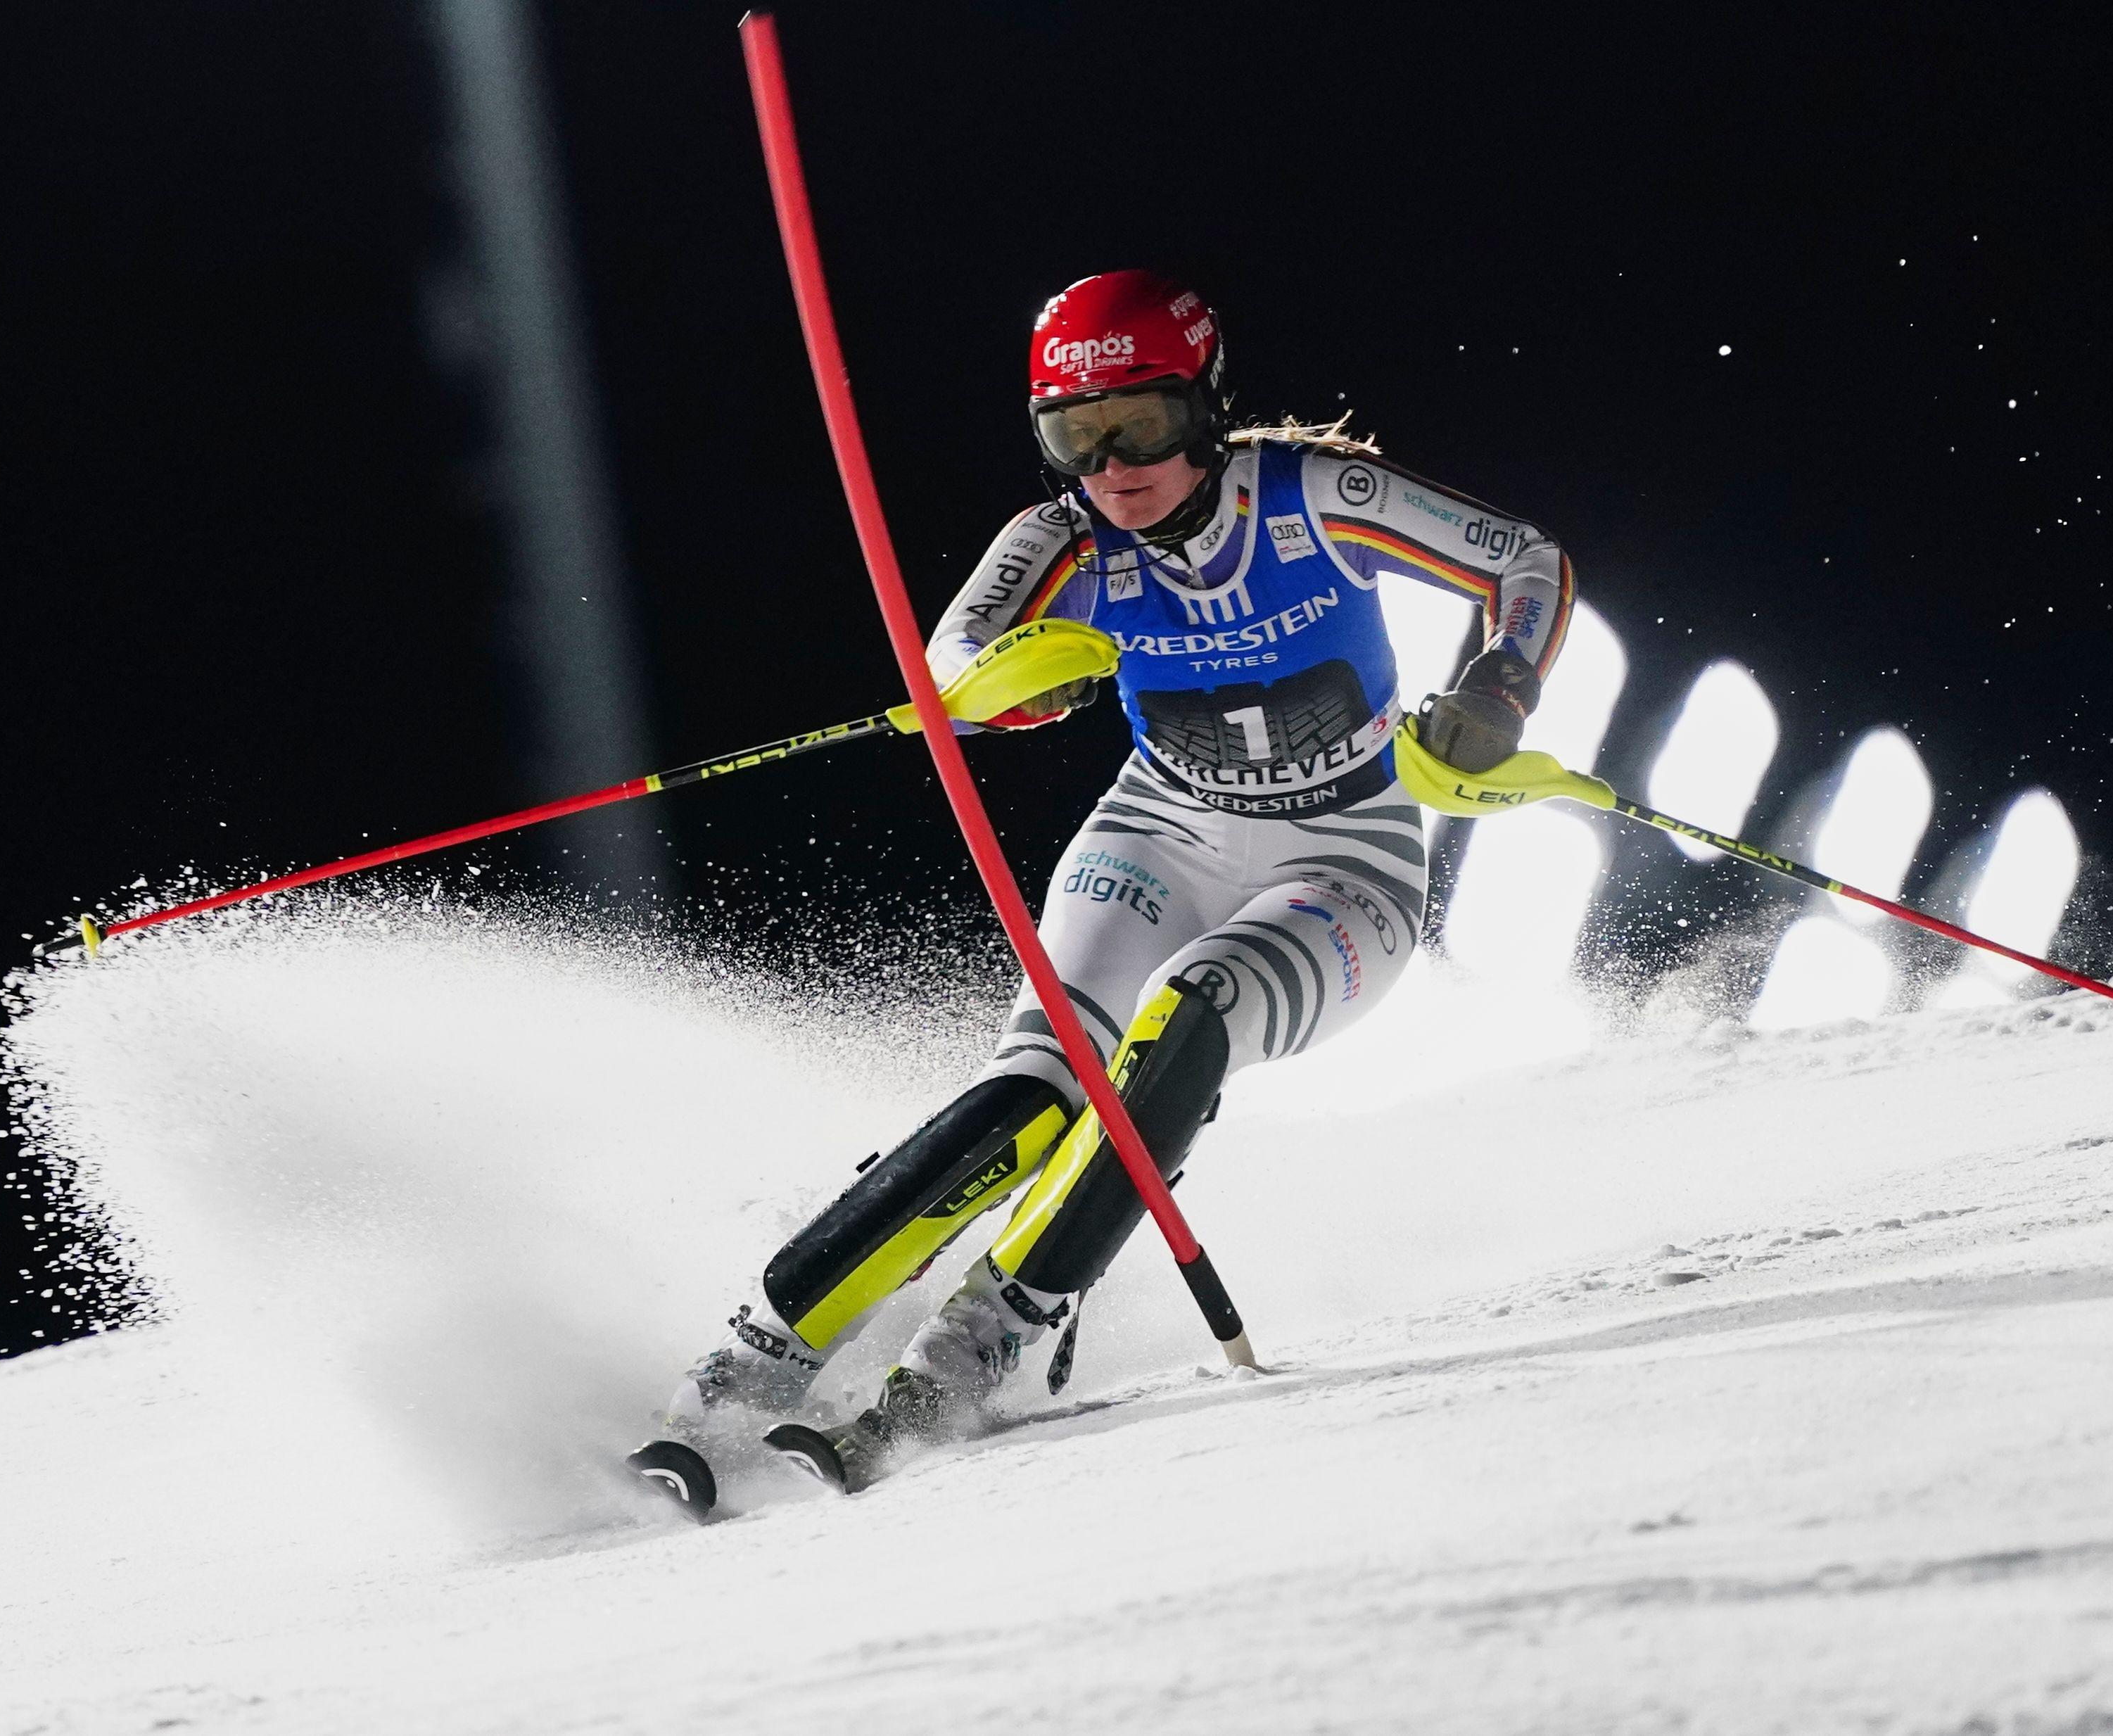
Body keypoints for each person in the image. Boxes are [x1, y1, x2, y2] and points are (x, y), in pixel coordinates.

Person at [630, 270, 1574, 1512]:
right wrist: (1018, 684)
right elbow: (955, 661)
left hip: (1347, 859)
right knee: (1033, 1091)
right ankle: (748, 1368)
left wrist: (1496, 691)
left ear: (1207, 407)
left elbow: (1526, 562)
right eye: (1078, 436)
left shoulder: (1313, 495)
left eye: (1146, 425)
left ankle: (985, 1343)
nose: (1116, 465)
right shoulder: (1058, 538)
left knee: (1190, 1016)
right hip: (1159, 830)